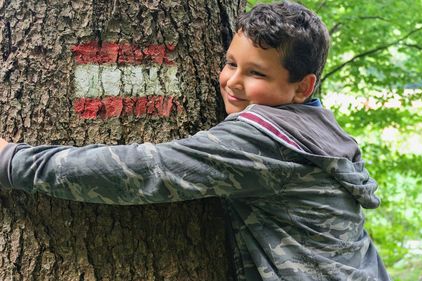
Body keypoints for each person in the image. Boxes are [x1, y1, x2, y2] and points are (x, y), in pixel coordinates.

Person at [0, 2, 390, 280]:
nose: (233, 81)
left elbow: (146, 170)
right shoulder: (321, 127)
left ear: (302, 87)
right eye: (230, 62)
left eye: (256, 73)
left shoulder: (265, 138)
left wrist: (13, 161)